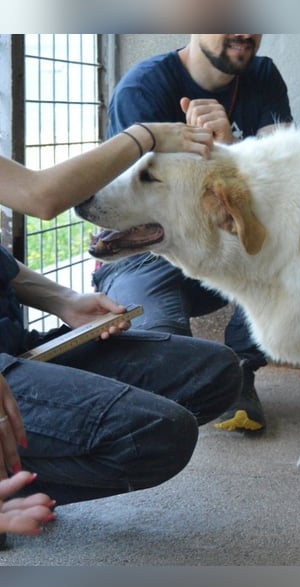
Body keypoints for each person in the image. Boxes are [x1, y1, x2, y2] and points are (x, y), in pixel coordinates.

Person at [0, 122, 241, 544]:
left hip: (12, 347)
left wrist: (63, 300)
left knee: (215, 372)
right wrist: (145, 136)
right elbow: (40, 196)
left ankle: (12, 475)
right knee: (158, 433)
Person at [92, 34, 294, 434]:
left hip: (218, 247)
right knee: (167, 354)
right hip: (145, 249)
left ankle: (239, 375)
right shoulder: (144, 87)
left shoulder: (264, 74)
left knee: (287, 248)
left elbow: (282, 186)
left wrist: (230, 151)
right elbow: (129, 199)